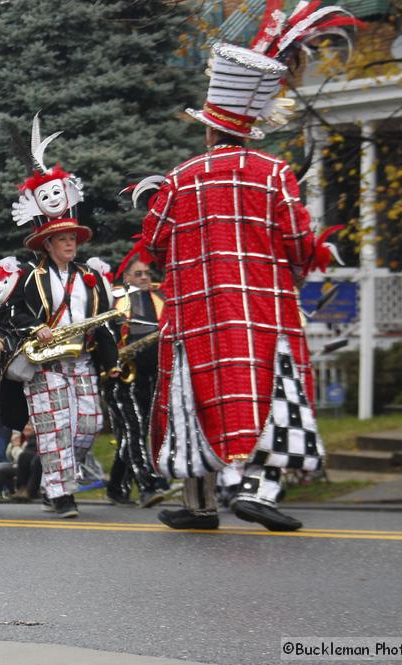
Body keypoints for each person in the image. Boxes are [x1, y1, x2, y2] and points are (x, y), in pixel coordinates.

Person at [134, 5, 358, 532]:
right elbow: (301, 241)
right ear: (248, 128)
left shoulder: (179, 177)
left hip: (195, 313)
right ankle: (258, 489)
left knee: (193, 399)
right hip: (263, 307)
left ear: (211, 130)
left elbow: (151, 244)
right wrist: (300, 265)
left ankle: (200, 505)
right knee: (272, 391)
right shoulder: (274, 173)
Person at [0, 114, 119, 519]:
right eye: (62, 239)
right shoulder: (30, 278)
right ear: (48, 244)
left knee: (86, 426)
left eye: (72, 239)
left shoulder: (91, 278)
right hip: (46, 363)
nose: (69, 244)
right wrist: (38, 329)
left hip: (81, 358)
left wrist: (112, 361)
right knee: (55, 429)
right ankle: (60, 493)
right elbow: (13, 315)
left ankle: (58, 479)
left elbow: (104, 321)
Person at [103, 256, 169, 508]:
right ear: (127, 277)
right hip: (123, 376)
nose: (144, 277)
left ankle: (116, 487)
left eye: (147, 273)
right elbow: (106, 334)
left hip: (152, 376)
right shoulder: (117, 299)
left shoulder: (160, 298)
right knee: (136, 430)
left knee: (135, 434)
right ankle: (148, 485)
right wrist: (110, 363)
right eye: (138, 273)